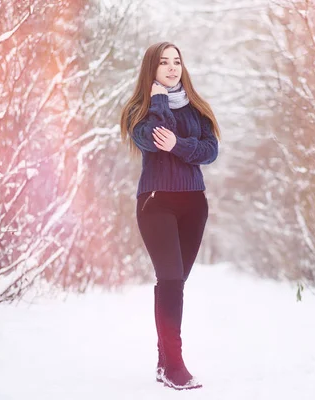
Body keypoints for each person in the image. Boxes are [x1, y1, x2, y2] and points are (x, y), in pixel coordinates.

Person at [119, 41, 220, 390]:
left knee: (173, 284)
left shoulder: (197, 109)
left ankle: (164, 363)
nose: (172, 68)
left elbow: (210, 151)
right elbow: (151, 139)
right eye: (164, 63)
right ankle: (175, 366)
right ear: (152, 69)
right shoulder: (140, 109)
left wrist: (178, 145)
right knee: (171, 279)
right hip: (156, 202)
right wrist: (159, 100)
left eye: (177, 61)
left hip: (194, 204)